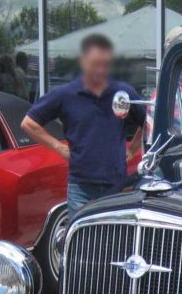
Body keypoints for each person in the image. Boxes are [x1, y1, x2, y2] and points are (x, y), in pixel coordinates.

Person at [21, 33, 144, 220]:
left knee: (114, 243)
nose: (99, 70)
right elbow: (29, 123)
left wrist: (134, 147)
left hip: (116, 186)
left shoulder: (123, 93)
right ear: (83, 62)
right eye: (95, 64)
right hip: (81, 188)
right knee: (81, 243)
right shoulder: (65, 94)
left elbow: (148, 121)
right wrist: (58, 147)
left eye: (104, 64)